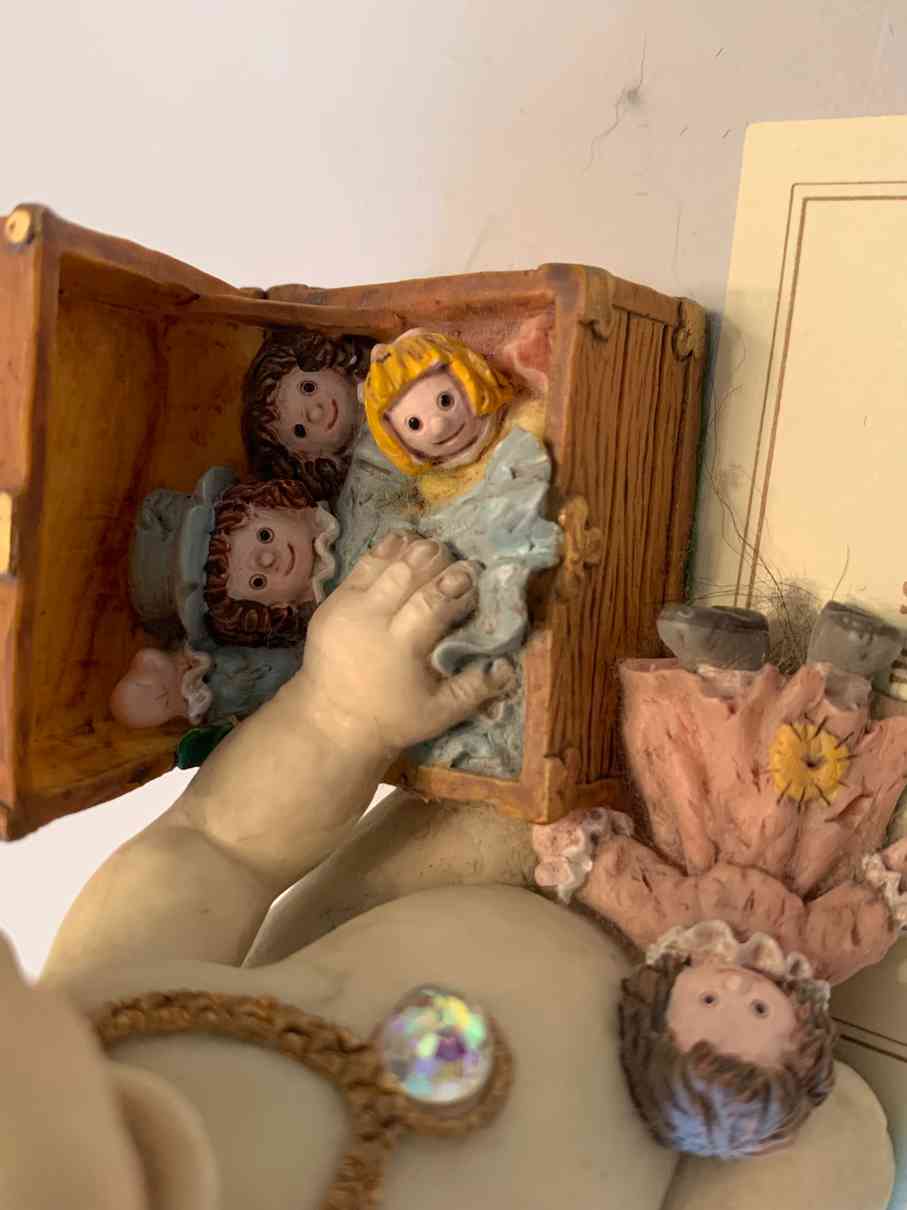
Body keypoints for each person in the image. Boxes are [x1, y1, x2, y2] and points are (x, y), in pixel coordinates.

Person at [3, 537, 895, 1210]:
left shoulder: (102, 1006)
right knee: (821, 1148)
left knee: (567, 752)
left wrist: (338, 715)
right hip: (702, 1112)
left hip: (511, 873)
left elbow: (214, 847)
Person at [241, 327, 370, 503]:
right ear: (307, 458)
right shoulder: (362, 483)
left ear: (320, 359)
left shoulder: (384, 361)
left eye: (308, 388)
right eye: (300, 431)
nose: (316, 413)